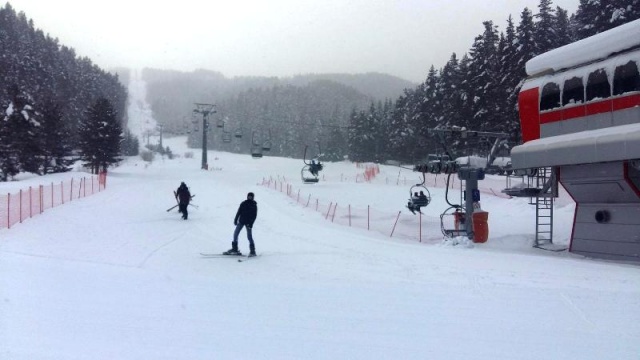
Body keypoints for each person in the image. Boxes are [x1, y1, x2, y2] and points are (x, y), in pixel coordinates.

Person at [224, 192, 258, 256]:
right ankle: (235, 249)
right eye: (249, 196)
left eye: (251, 196)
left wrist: (251, 223)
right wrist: (236, 219)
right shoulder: (244, 203)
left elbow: (254, 216)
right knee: (235, 234)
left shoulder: (254, 205)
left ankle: (252, 251)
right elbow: (239, 211)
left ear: (253, 197)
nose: (249, 197)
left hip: (248, 223)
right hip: (241, 221)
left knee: (249, 236)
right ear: (247, 196)